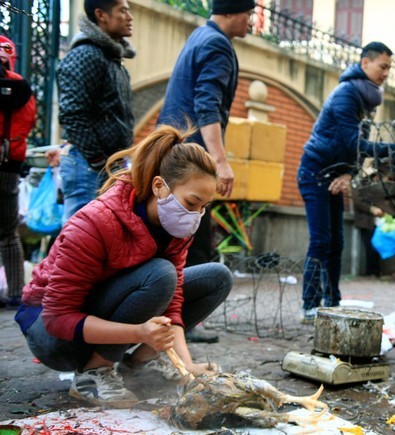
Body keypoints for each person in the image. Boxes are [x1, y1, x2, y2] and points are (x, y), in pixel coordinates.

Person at [16, 125, 233, 408]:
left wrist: (186, 367)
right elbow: (58, 318)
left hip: (102, 315)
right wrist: (138, 333)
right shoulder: (96, 221)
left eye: (203, 207)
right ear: (159, 186)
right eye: (192, 203)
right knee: (160, 275)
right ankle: (94, 373)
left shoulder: (176, 230)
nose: (196, 216)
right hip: (50, 334)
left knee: (217, 277)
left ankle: (143, 364)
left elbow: (174, 302)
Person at [157, 0, 255, 342]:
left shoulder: (199, 36)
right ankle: (184, 322)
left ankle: (171, 317)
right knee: (193, 238)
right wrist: (220, 162)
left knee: (178, 237)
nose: (252, 20)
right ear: (230, 11)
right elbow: (207, 105)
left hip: (175, 152)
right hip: (191, 158)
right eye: (248, 13)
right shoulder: (216, 44)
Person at [297, 41, 395, 321]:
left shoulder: (367, 98)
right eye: (383, 66)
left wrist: (349, 174)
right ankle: (310, 304)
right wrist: (391, 150)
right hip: (315, 172)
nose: (386, 73)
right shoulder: (347, 94)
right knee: (321, 240)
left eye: (389, 68)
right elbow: (353, 142)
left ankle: (333, 301)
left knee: (337, 241)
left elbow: (354, 148)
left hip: (335, 174)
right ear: (365, 63)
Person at [48, 0, 135, 224]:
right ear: (101, 15)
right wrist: (98, 160)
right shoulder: (86, 55)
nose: (130, 17)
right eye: (123, 11)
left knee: (100, 242)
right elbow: (72, 114)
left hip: (106, 166)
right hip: (87, 166)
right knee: (80, 243)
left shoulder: (112, 59)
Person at [0, 36, 36, 308]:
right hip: (9, 164)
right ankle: (14, 293)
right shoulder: (22, 87)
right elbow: (27, 122)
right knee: (8, 233)